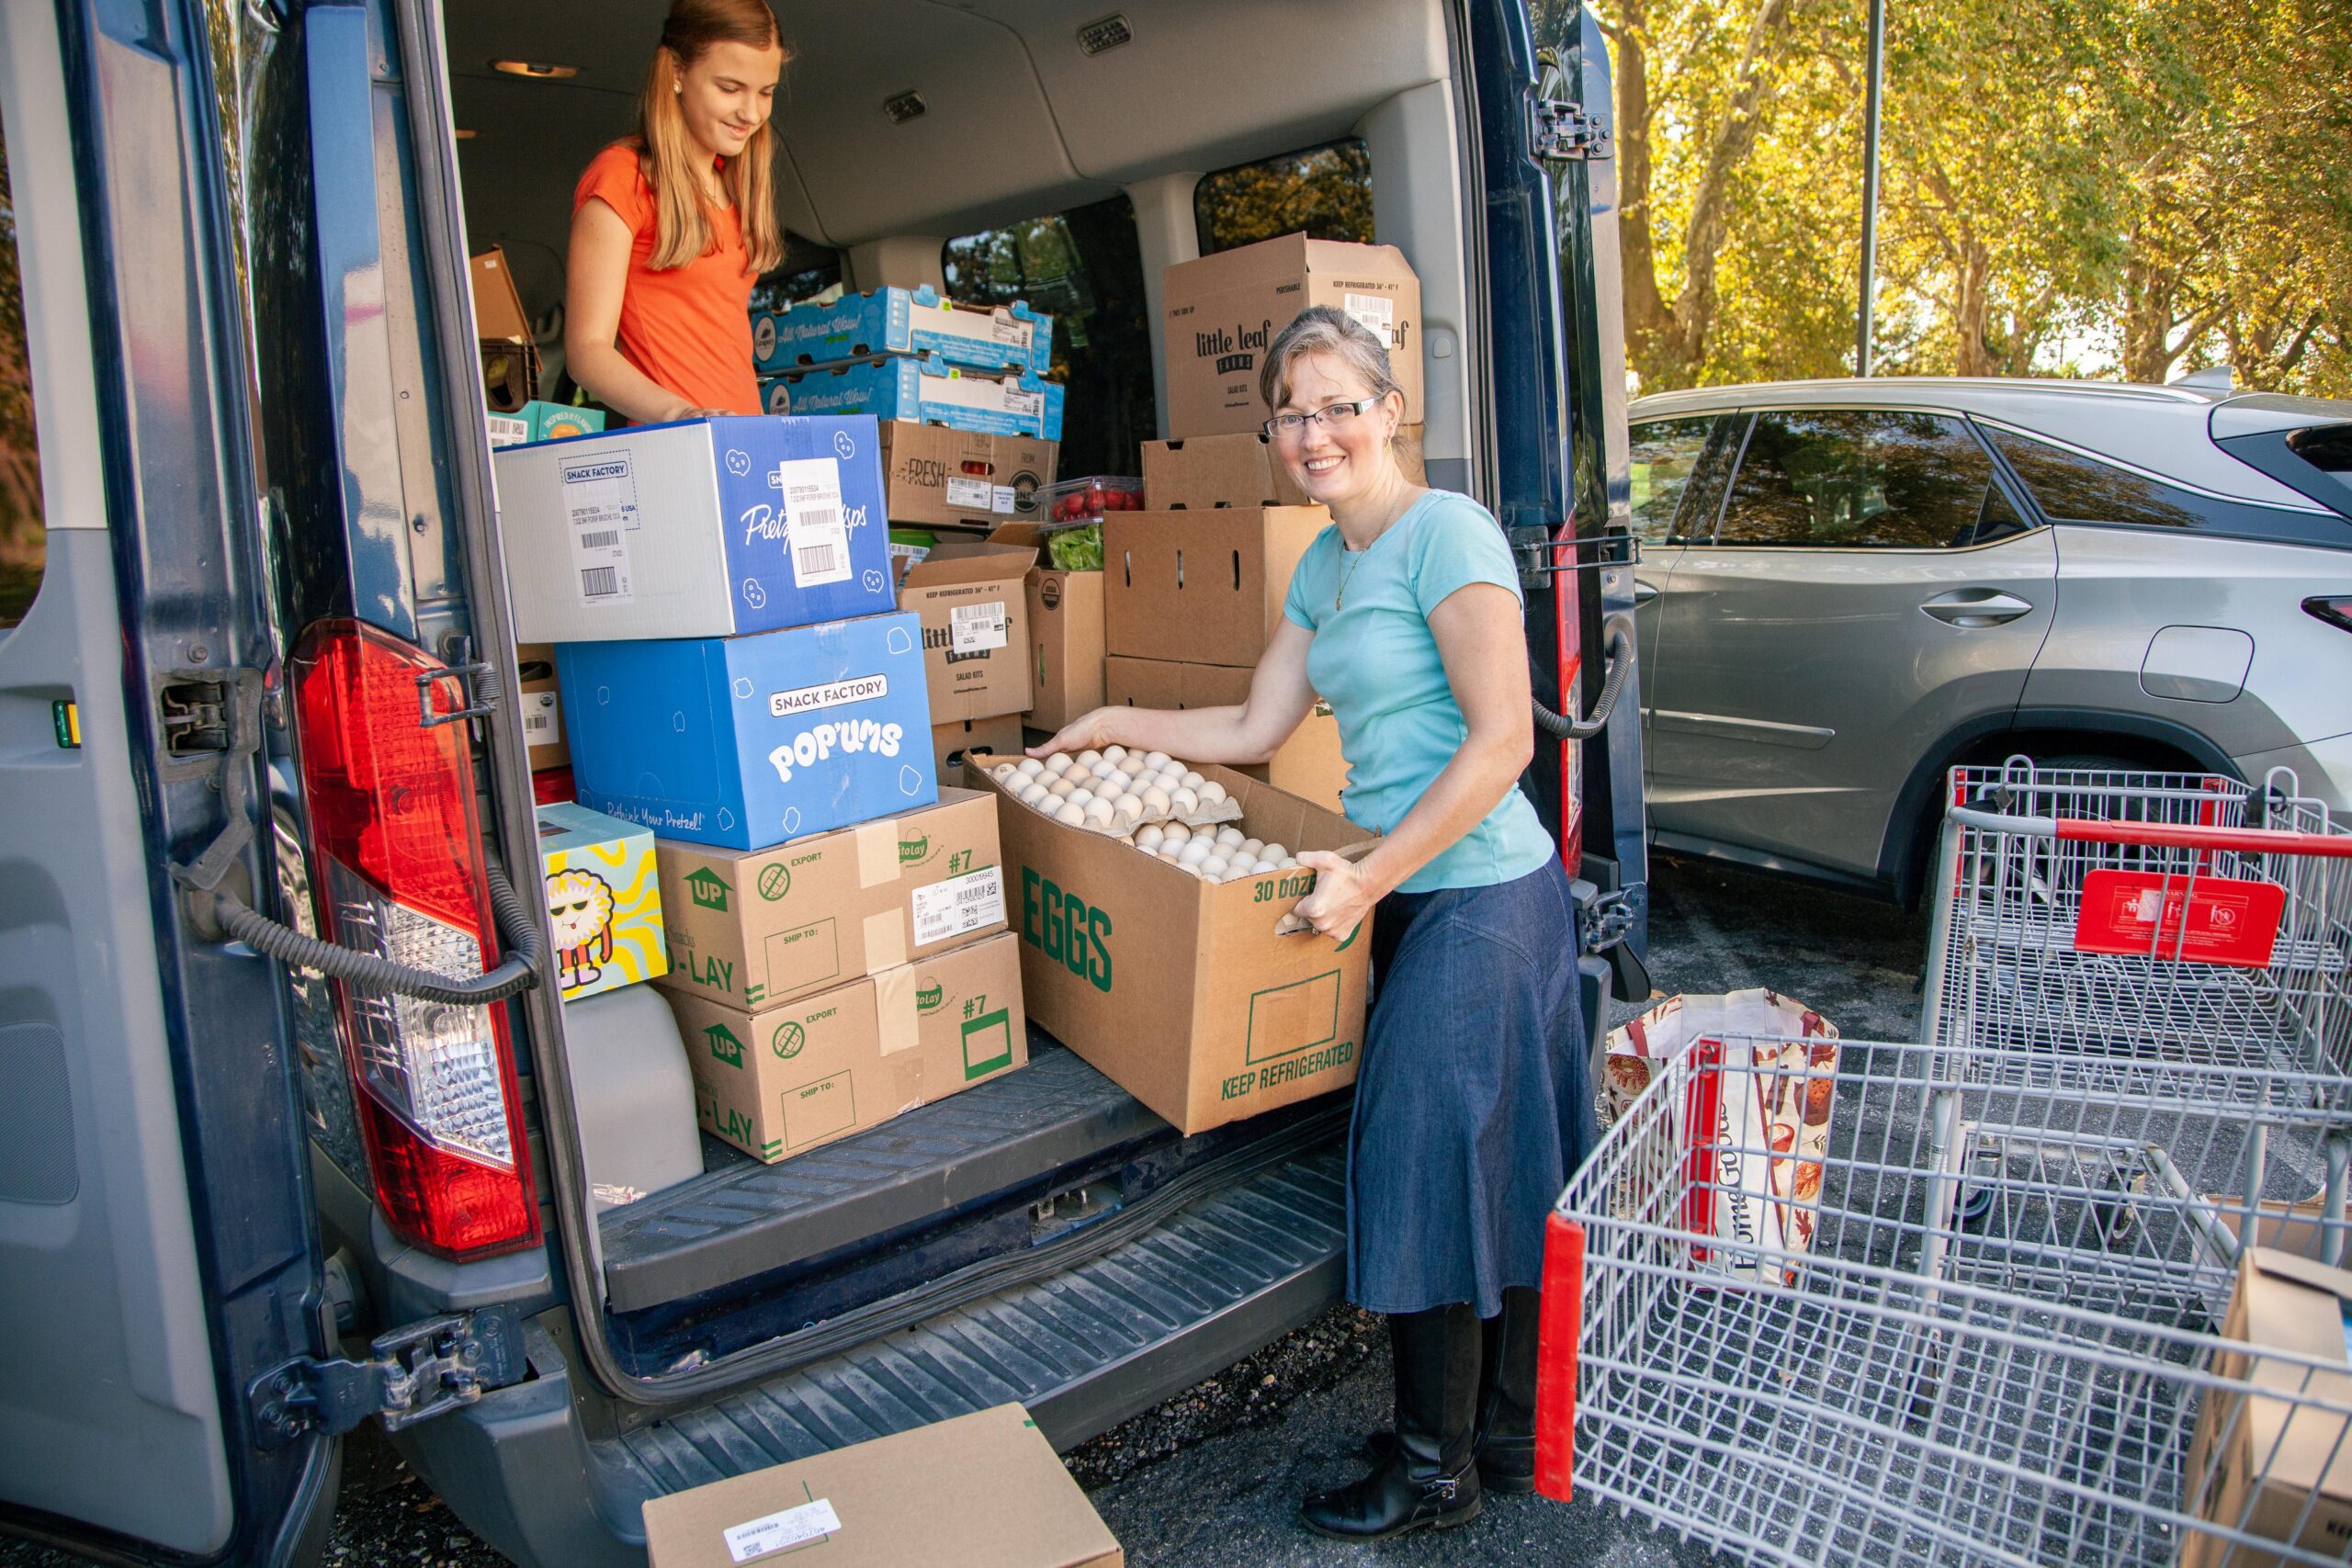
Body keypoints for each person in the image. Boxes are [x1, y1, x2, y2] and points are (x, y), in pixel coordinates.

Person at [1031, 305, 1596, 1540]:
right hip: (1404, 881)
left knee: (1426, 1159)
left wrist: (1367, 874)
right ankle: (1502, 1433)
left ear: (1394, 409)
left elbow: (1505, 741)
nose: (1315, 431)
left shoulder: (1447, 534)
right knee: (1491, 1155)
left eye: (1341, 403)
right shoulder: (1328, 563)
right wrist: (1110, 719)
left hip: (1483, 891)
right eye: (1292, 411)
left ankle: (1433, 1465)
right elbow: (1249, 730)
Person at [563, 0, 786, 423]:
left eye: (766, 92)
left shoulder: (735, 181)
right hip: (675, 444)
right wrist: (681, 413)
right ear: (677, 74)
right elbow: (587, 351)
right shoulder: (624, 176)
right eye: (729, 88)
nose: (752, 113)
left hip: (744, 441)